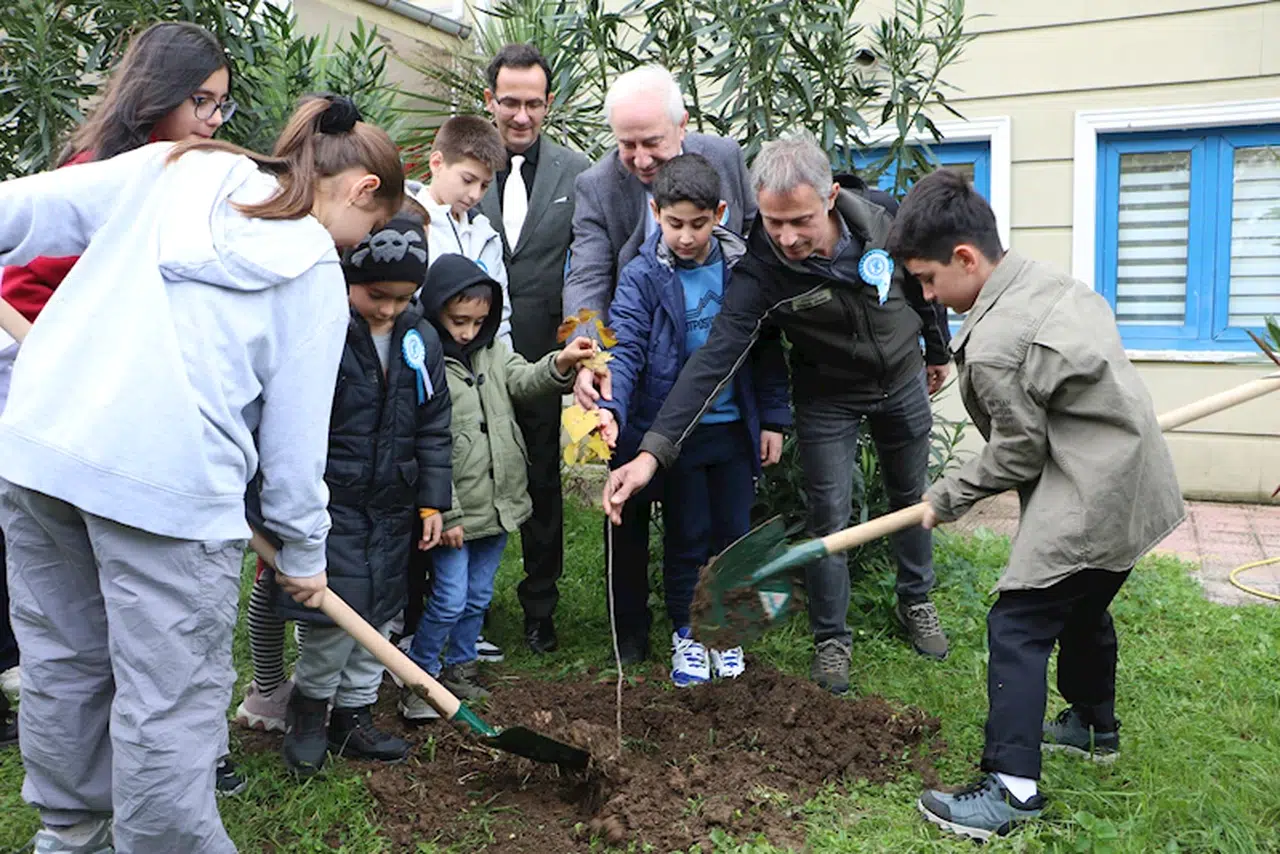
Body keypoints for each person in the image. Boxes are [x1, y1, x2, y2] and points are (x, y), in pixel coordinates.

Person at [0, 94, 404, 854]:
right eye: (368, 230)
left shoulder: (177, 165)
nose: (353, 247)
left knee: (64, 663)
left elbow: (19, 210)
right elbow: (294, 451)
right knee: (170, 694)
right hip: (170, 492)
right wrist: (306, 555)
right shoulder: (314, 272)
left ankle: (70, 834)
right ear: (361, 189)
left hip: (40, 453)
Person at [887, 169, 1184, 841]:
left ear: (966, 258)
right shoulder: (1048, 282)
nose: (928, 297)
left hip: (1094, 488)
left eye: (928, 280)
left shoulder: (996, 344)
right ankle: (1092, 726)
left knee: (1019, 623)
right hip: (1136, 476)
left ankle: (1012, 789)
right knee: (1082, 601)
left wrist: (946, 497)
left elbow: (1018, 453)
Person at [603, 132, 952, 696]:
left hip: (902, 379)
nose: (787, 238)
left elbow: (921, 286)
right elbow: (714, 359)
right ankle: (831, 638)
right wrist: (651, 454)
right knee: (828, 514)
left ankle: (916, 599)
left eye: (800, 221)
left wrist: (936, 351)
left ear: (830, 198)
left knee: (911, 498)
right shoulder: (760, 269)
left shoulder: (884, 218)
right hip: (827, 395)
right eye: (773, 222)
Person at [0, 19, 239, 777]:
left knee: (131, 616)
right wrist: (62, 356)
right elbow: (24, 292)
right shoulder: (97, 175)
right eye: (200, 101)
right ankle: (116, 766)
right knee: (85, 617)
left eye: (221, 104)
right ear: (157, 95)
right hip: (51, 405)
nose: (212, 119)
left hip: (119, 411)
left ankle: (162, 758)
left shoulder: (177, 180)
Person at [562, 64, 759, 657]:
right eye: (627, 145)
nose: (641, 158)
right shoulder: (597, 185)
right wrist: (590, 356)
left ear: (683, 126)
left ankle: (717, 628)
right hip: (630, 360)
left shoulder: (724, 159)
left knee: (701, 522)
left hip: (712, 377)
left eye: (652, 143)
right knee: (624, 491)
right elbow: (588, 274)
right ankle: (631, 632)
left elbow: (752, 246)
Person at [257, 205, 452, 776]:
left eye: (402, 298)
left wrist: (432, 498)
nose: (388, 308)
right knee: (333, 619)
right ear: (350, 279)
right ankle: (309, 713)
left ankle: (355, 715)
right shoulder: (327, 333)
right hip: (333, 503)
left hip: (393, 504)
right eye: (375, 295)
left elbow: (434, 423)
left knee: (382, 614)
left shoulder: (421, 339)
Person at [602, 154, 791, 681]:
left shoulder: (743, 270)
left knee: (733, 536)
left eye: (699, 224)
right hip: (677, 436)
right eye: (675, 223)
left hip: (734, 431)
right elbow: (625, 348)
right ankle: (688, 634)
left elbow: (766, 350)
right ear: (655, 213)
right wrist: (613, 410)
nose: (686, 237)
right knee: (687, 538)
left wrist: (773, 418)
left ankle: (726, 634)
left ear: (721, 214)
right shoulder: (642, 275)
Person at [398, 255, 599, 720]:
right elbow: (426, 443)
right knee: (448, 598)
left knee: (477, 596)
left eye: (478, 322)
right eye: (458, 321)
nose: (468, 332)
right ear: (436, 310)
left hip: (498, 503)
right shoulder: (425, 361)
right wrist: (445, 511)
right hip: (455, 513)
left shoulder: (494, 351)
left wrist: (561, 362)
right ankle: (420, 677)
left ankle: (461, 667)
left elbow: (524, 380)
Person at [475, 43, 591, 657]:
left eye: (533, 104)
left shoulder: (577, 172)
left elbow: (591, 263)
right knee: (472, 475)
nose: (521, 116)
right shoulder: (463, 163)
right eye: (509, 102)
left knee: (543, 479)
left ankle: (540, 607)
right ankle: (466, 604)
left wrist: (583, 349)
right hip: (471, 357)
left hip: (546, 358)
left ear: (549, 104)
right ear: (489, 100)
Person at [412, 115, 512, 346]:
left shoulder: (486, 237)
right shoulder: (408, 225)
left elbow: (501, 322)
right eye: (468, 180)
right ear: (436, 163)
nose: (475, 194)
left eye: (484, 185)